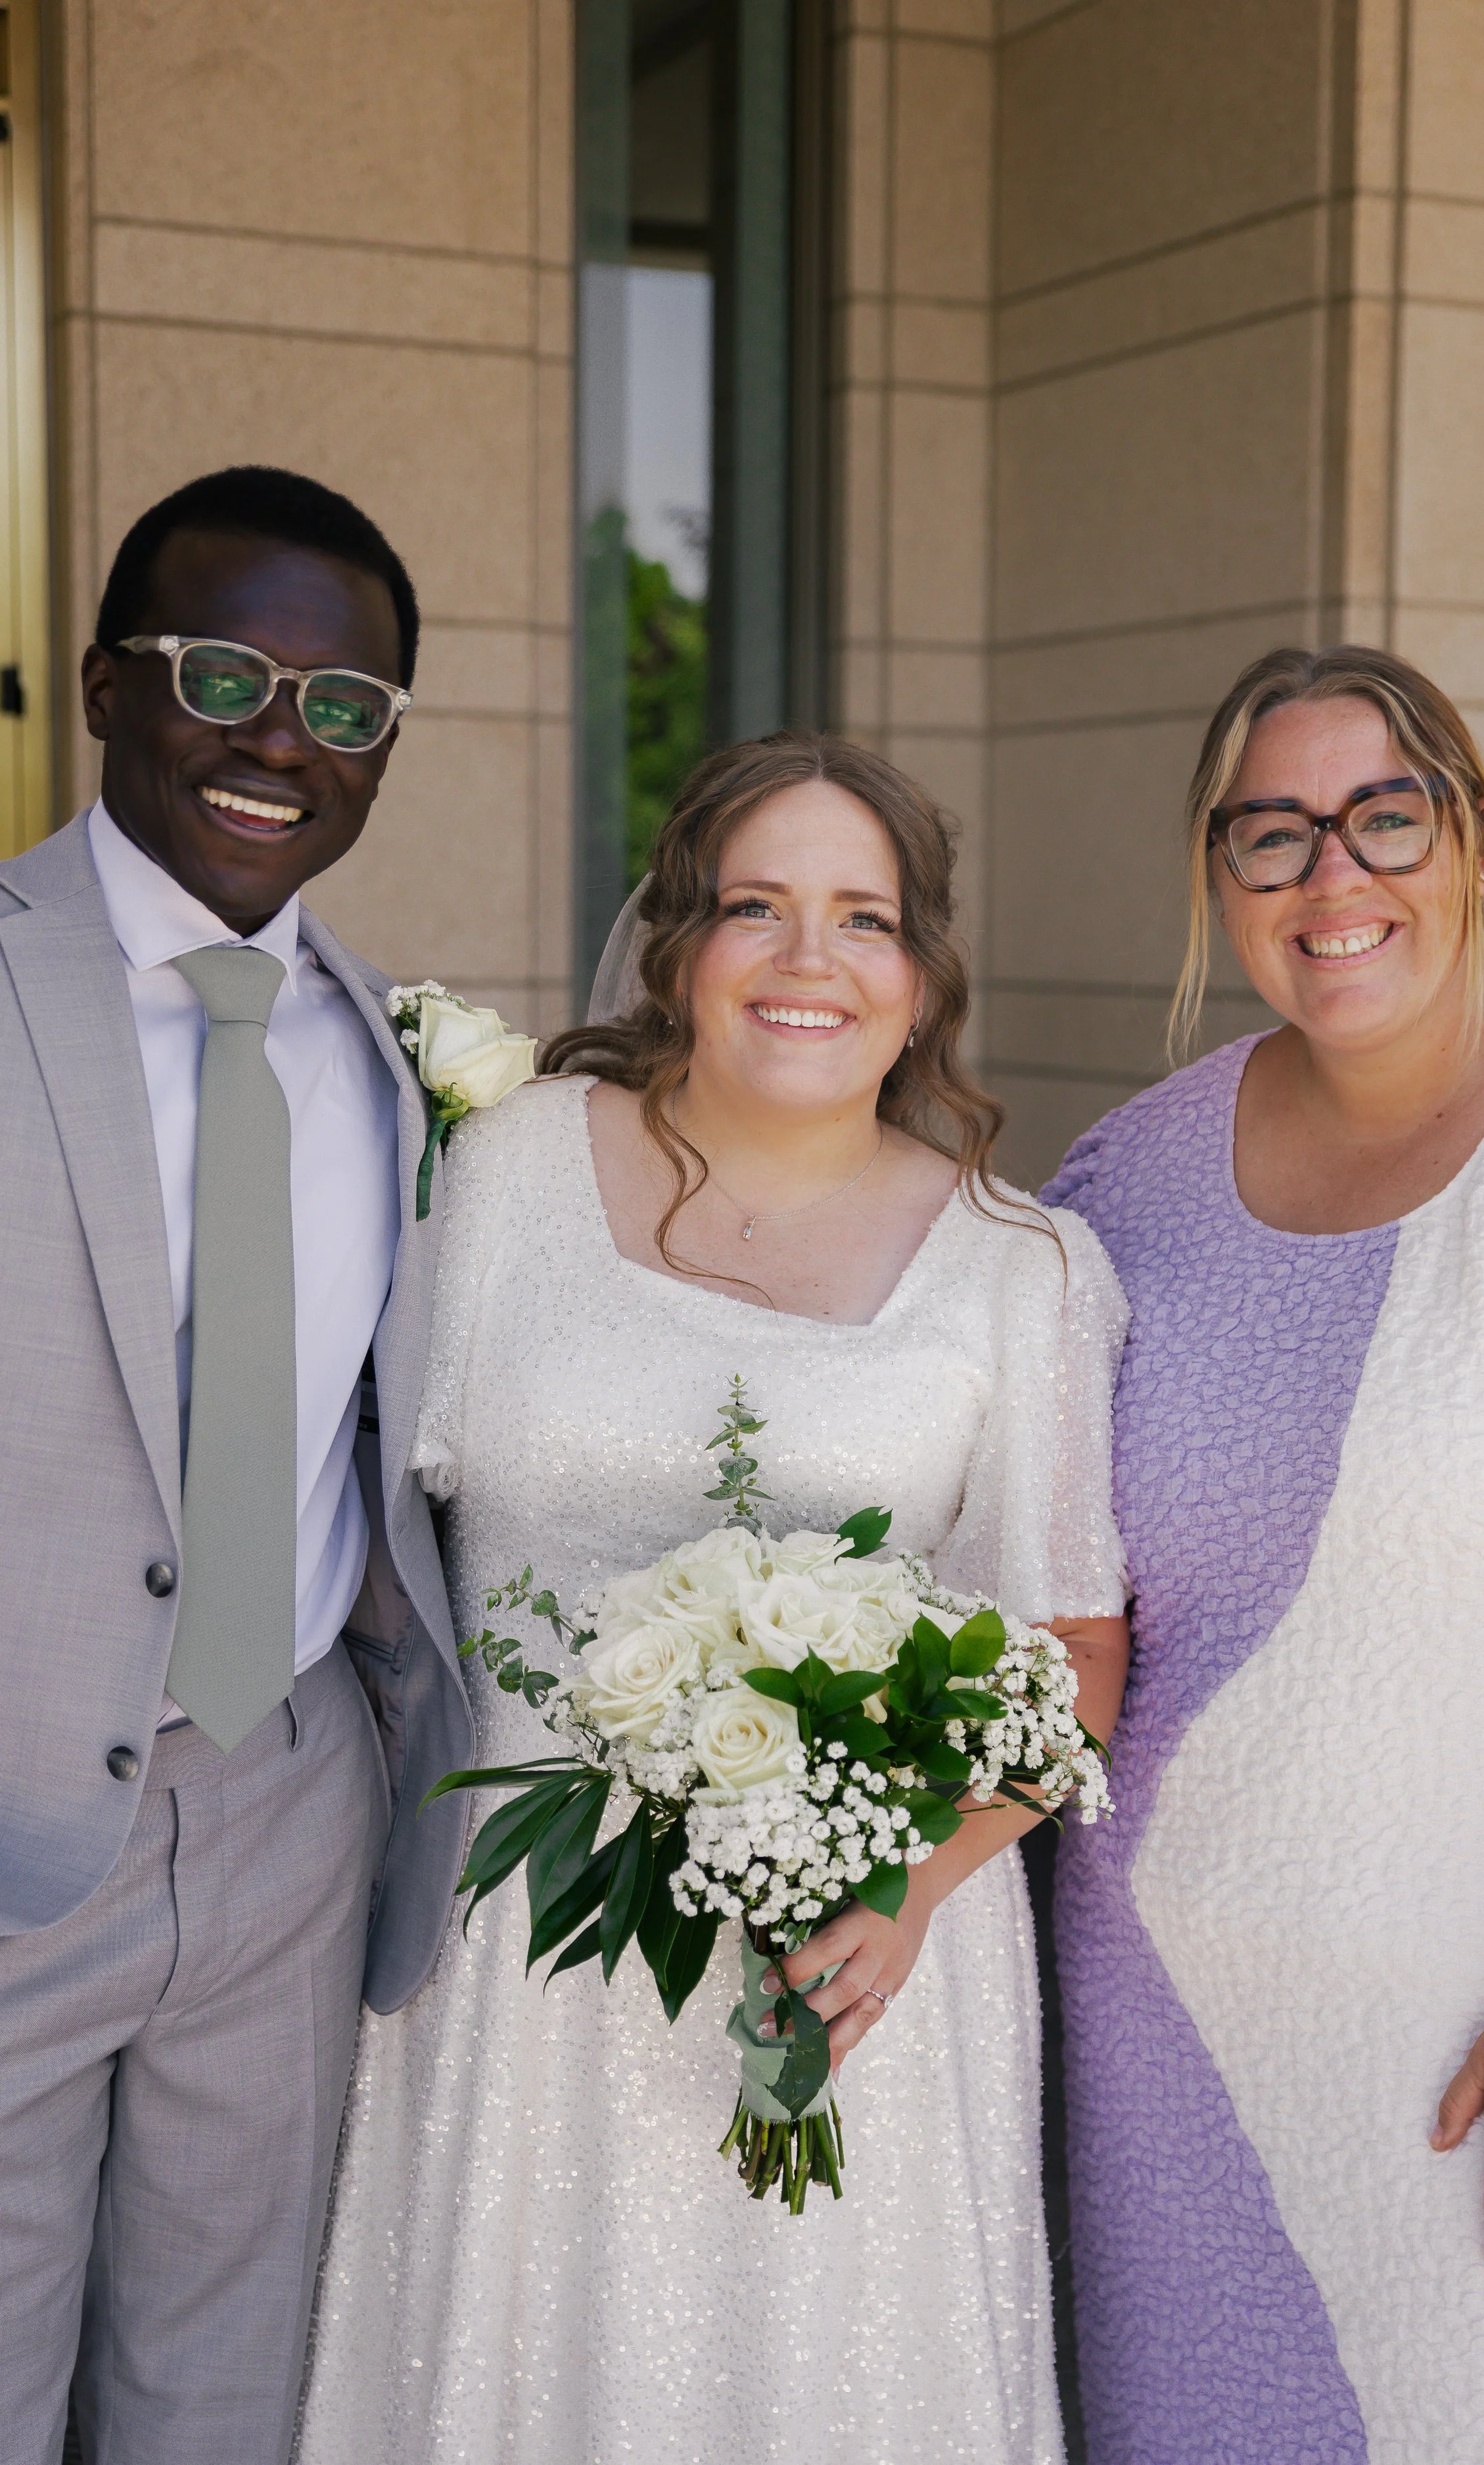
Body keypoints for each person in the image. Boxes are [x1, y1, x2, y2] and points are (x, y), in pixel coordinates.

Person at [296, 734, 1133, 2464]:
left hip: (856, 1978)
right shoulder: (507, 1174)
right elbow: (367, 1544)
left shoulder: (1020, 1268)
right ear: (677, 946)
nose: (805, 958)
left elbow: (1075, 1657)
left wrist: (899, 1880)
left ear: (921, 981)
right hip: (520, 1960)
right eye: (753, 905)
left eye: (859, 917)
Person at [1046, 644, 1484, 2463]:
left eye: (1384, 817)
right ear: (1216, 878)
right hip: (1163, 2045)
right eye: (1272, 835)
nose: (1333, 880)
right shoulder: (1120, 1185)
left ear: (1471, 835)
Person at [0, 465, 477, 2465]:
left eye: (343, 705)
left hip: (287, 1809)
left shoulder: (390, 1044)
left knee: (223, 2402)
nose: (282, 737)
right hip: (16, 1820)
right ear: (107, 686)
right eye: (224, 675)